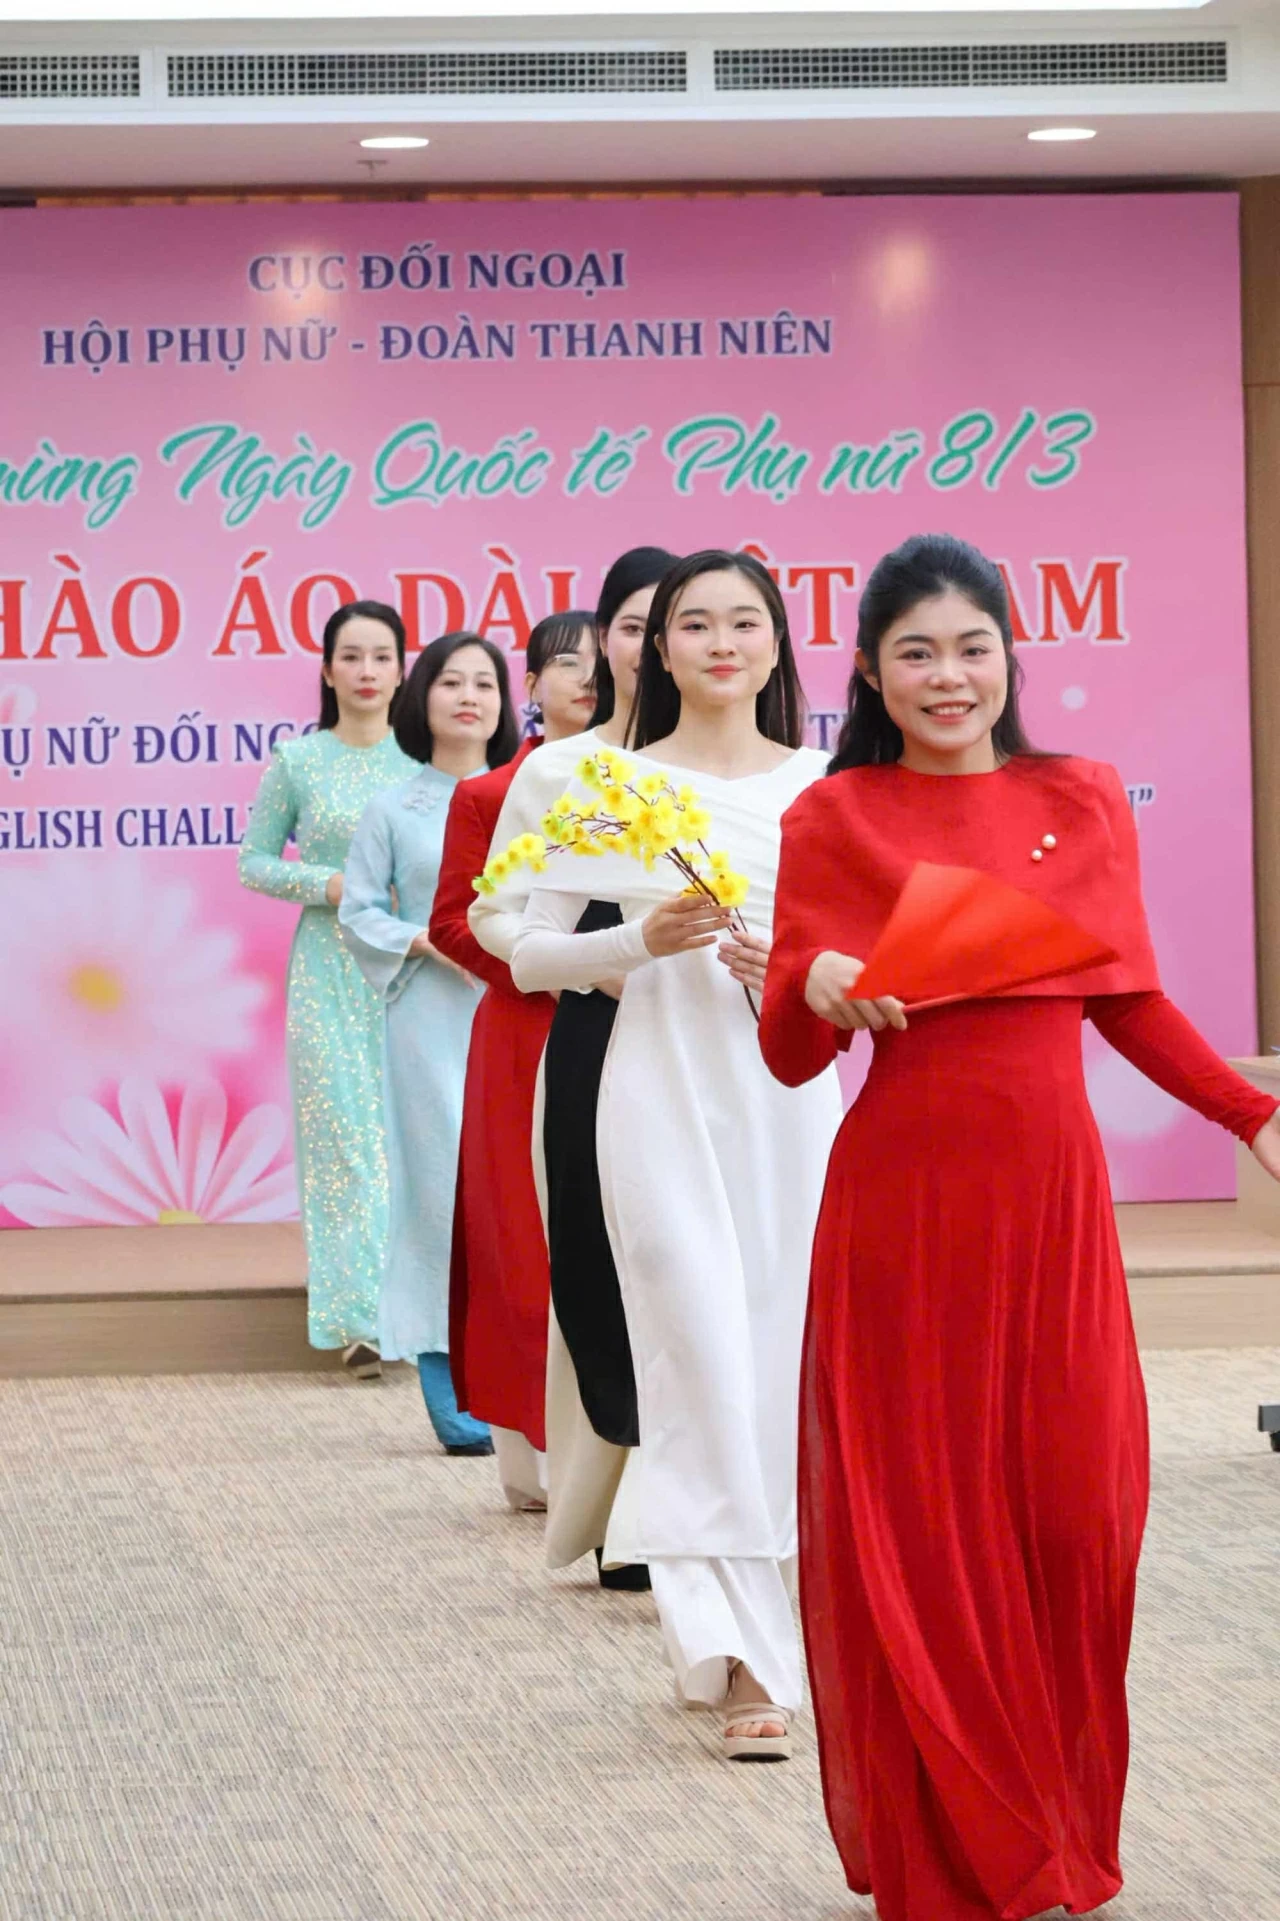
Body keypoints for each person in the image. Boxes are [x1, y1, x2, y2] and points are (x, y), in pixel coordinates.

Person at [758, 532, 1280, 1918]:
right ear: (870, 668)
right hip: (906, 1213)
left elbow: (1129, 998)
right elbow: (790, 1052)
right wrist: (817, 980)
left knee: (1075, 1516)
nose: (950, 676)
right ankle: (959, 1849)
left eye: (973, 646)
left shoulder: (1082, 797)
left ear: (1011, 656)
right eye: (917, 651)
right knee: (925, 1534)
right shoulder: (836, 816)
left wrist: (1249, 1113)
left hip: (1052, 1209)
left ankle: (1057, 1822)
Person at [509, 550, 844, 1758]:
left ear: (774, 643)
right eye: (690, 623)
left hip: (795, 1106)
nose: (716, 642)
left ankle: (782, 1619)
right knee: (694, 1352)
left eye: (741, 621)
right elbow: (524, 951)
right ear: (652, 649)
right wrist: (639, 941)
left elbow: (891, 960)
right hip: (650, 1097)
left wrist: (806, 975)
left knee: (782, 1360)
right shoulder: (596, 780)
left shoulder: (828, 787)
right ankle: (740, 1650)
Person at [471, 545, 677, 1590]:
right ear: (603, 639)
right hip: (598, 1035)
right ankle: (614, 1494)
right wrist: (604, 962)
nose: (660, 644)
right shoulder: (557, 770)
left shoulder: (752, 769)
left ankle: (678, 1509)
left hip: (724, 1050)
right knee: (601, 1268)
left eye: (680, 622)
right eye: (636, 625)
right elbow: (496, 918)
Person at [428, 609, 597, 1506]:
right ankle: (531, 1456)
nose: (587, 677)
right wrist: (559, 970)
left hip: (626, 1026)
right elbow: (452, 920)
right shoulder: (493, 795)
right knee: (520, 1237)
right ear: (527, 685)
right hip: (525, 1030)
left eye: (605, 661)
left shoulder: (645, 791)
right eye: (564, 664)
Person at [339, 631, 518, 1450]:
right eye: (452, 681)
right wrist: (423, 941)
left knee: (513, 1189)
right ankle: (449, 1381)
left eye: (486, 682)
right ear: (425, 697)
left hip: (513, 1008)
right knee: (442, 1193)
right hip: (426, 1018)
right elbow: (358, 911)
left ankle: (518, 1376)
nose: (469, 696)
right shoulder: (393, 807)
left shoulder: (529, 797)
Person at [238, 600, 417, 1370]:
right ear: (326, 669)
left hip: (409, 970)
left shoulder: (424, 767)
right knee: (342, 1137)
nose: (368, 671)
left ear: (404, 669)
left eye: (382, 656)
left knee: (408, 1137)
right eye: (352, 656)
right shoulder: (298, 761)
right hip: (326, 964)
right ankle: (358, 1318)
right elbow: (254, 861)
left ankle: (415, 1310)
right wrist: (332, 883)